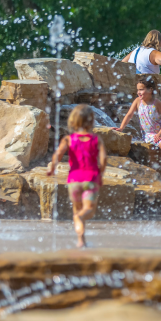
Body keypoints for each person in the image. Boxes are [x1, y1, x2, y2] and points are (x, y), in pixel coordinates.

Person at [47, 104, 107, 248]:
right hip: (91, 179)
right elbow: (103, 159)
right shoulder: (96, 139)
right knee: (89, 210)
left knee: (76, 211)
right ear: (92, 121)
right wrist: (101, 174)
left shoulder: (68, 139)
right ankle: (81, 222)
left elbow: (58, 155)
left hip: (74, 181)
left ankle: (81, 240)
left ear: (73, 122)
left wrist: (52, 167)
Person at [113, 77, 161, 185]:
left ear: (150, 90)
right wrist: (121, 128)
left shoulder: (157, 103)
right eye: (138, 90)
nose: (138, 92)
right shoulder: (137, 102)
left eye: (141, 89)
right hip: (150, 134)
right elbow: (129, 115)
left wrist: (160, 134)